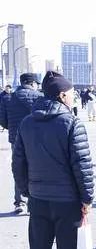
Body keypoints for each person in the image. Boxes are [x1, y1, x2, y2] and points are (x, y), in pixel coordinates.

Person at [12, 71, 93, 249]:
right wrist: (87, 198)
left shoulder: (27, 123)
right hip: (67, 201)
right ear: (61, 96)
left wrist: (27, 191)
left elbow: (18, 163)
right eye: (70, 94)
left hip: (38, 199)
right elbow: (82, 165)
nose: (73, 97)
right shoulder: (71, 123)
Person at [0, 73, 43, 214]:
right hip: (36, 138)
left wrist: (12, 128)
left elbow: (2, 119)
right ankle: (33, 202)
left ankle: (19, 202)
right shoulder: (39, 97)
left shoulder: (9, 98)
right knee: (36, 169)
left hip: (16, 138)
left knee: (19, 168)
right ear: (32, 83)